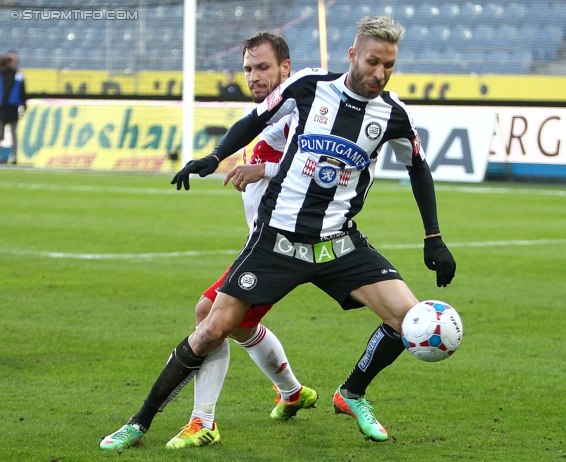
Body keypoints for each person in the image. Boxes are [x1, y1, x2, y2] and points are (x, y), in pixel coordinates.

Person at [109, 15, 456, 447]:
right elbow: (254, 121)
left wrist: (434, 238)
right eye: (373, 62)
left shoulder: (392, 115)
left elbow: (418, 169)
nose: (380, 74)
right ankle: (139, 423)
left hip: (339, 244)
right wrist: (215, 156)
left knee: (410, 320)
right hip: (278, 241)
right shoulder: (311, 86)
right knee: (211, 327)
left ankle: (351, 393)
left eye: (389, 65)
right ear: (353, 56)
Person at [100, 32, 317, 451]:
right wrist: (217, 158)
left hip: (286, 246)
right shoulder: (271, 115)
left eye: (264, 67)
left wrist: (262, 172)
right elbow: (250, 133)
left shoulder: (304, 113)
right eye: (248, 69)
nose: (254, 77)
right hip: (264, 242)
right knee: (238, 322)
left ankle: (202, 422)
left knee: (211, 316)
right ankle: (291, 392)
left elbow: (316, 168)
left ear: (286, 68)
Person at [0, 51, 27, 164]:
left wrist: (23, 107)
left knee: (14, 134)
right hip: (1, 108)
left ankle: (14, 156)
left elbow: (23, 94)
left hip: (13, 108)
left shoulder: (19, 76)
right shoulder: (2, 74)